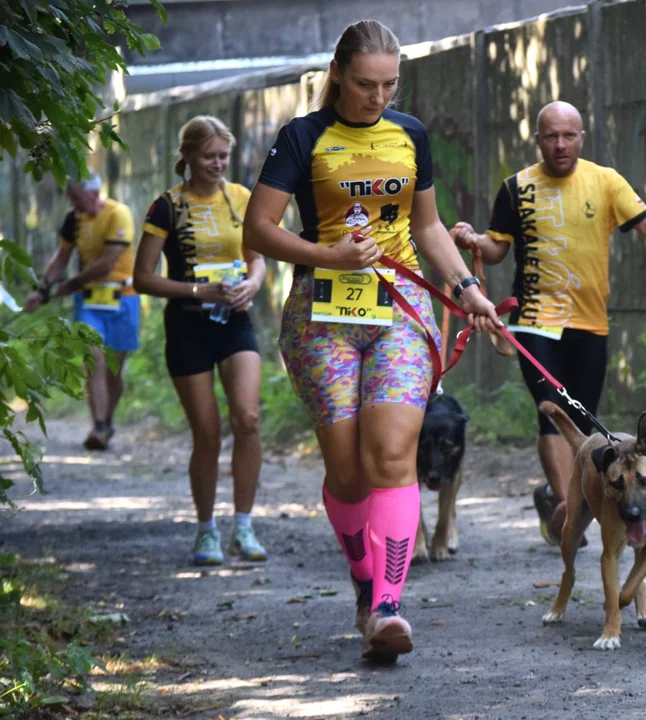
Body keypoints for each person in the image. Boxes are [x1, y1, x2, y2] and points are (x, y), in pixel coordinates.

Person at [243, 19, 502, 663]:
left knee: (392, 454)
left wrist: (467, 286)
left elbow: (430, 224)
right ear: (338, 75)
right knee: (349, 470)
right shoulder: (301, 137)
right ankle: (365, 586)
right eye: (365, 84)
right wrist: (326, 254)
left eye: (389, 84)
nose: (377, 97)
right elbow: (258, 229)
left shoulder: (410, 133)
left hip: (402, 303)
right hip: (320, 313)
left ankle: (387, 607)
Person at [451, 101, 646, 546]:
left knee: (581, 423)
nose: (560, 144)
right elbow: (496, 248)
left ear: (582, 137)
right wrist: (473, 241)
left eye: (569, 135)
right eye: (551, 136)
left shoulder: (605, 181)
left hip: (590, 323)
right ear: (537, 139)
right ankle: (566, 506)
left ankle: (556, 502)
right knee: (552, 411)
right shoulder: (516, 187)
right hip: (535, 321)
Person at [133, 116, 269, 567]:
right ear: (187, 156)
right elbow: (143, 278)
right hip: (189, 325)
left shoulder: (242, 198)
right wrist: (198, 290)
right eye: (209, 156)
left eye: (223, 156)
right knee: (207, 434)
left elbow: (257, 258)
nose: (217, 164)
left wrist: (252, 283)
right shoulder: (165, 206)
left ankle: (244, 526)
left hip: (235, 320)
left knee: (247, 419)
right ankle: (206, 531)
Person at [23, 173, 139, 451]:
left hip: (122, 298)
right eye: (70, 197)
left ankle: (107, 420)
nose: (72, 202)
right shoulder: (73, 219)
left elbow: (107, 263)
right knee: (94, 359)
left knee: (115, 369)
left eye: (77, 196)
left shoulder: (118, 214)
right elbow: (61, 258)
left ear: (94, 192)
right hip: (88, 301)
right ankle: (98, 425)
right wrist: (43, 288)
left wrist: (72, 283)